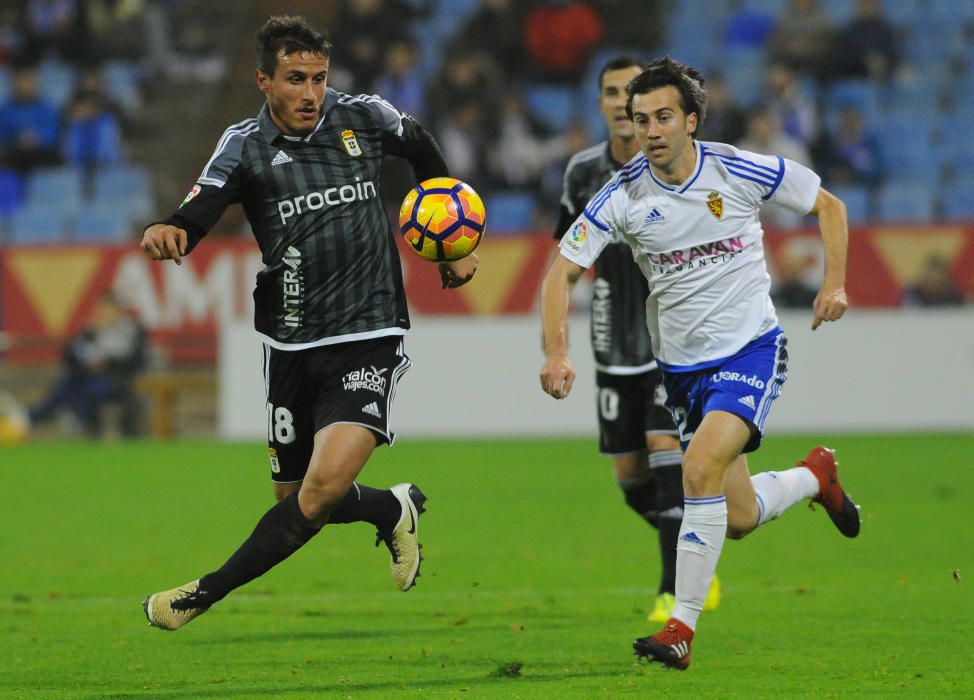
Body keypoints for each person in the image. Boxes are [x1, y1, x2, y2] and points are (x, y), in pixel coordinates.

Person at [139, 15, 478, 631]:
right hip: (289, 339)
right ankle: (390, 509)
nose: (310, 92)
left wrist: (451, 240)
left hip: (367, 333)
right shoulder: (243, 144)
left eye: (319, 78)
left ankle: (202, 594)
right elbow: (203, 204)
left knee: (317, 492)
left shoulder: (364, 118)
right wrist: (173, 229)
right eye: (295, 79)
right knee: (293, 499)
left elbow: (423, 146)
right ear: (264, 80)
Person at [539, 57, 859, 670]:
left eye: (663, 117)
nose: (650, 130)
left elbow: (830, 205)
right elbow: (562, 272)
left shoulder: (735, 168)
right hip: (682, 372)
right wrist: (557, 349)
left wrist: (834, 285)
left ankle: (679, 626)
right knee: (737, 517)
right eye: (640, 119)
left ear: (691, 121)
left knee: (698, 465)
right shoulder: (624, 192)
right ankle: (817, 476)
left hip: (752, 350)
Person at [552, 55, 719, 626]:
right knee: (630, 478)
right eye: (611, 91)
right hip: (611, 339)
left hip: (669, 339)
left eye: (632, 92)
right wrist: (557, 344)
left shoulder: (678, 165)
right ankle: (697, 547)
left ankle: (676, 594)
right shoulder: (582, 173)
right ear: (602, 104)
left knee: (665, 452)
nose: (623, 102)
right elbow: (565, 258)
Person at [29, 292, 147, 437]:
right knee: (66, 385)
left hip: (117, 378)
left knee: (92, 388)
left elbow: (136, 359)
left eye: (110, 309)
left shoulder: (132, 330)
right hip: (86, 374)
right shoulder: (91, 329)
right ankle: (31, 417)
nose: (105, 313)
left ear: (120, 311)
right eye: (103, 309)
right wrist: (90, 336)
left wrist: (109, 362)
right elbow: (69, 355)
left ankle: (78, 423)